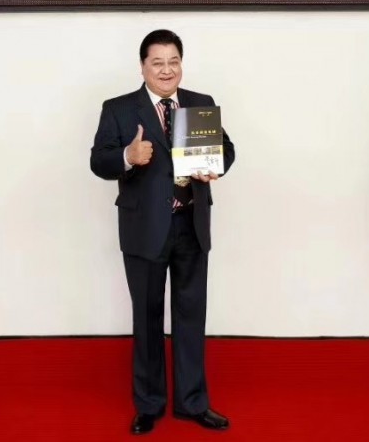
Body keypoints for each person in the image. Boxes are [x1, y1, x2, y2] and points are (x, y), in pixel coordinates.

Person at [90, 29, 236, 435]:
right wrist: (128, 155)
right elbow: (99, 161)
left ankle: (193, 402)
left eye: (174, 61)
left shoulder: (200, 103)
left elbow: (227, 149)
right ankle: (149, 404)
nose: (166, 70)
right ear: (143, 67)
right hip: (144, 229)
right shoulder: (119, 109)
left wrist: (214, 166)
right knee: (147, 318)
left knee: (191, 316)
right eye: (158, 63)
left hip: (192, 224)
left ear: (181, 64)